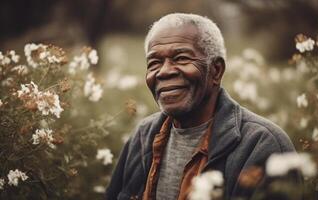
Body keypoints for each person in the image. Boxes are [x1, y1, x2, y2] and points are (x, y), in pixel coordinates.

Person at [106, 13, 297, 200]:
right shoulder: (142, 136)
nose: (163, 72)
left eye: (181, 58)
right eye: (154, 62)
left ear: (216, 70)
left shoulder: (262, 145)